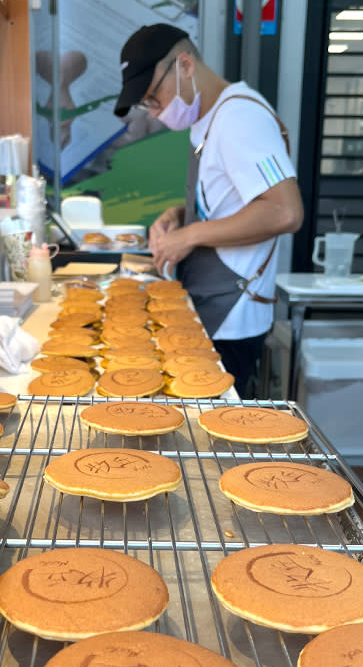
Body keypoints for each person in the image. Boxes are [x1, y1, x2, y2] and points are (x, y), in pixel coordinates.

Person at [114, 23, 303, 397]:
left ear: (185, 65)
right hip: (212, 305)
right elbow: (233, 201)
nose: (154, 112)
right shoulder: (211, 118)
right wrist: (181, 214)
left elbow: (285, 211)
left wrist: (191, 235)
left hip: (233, 317)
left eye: (154, 98)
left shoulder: (240, 118)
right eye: (146, 105)